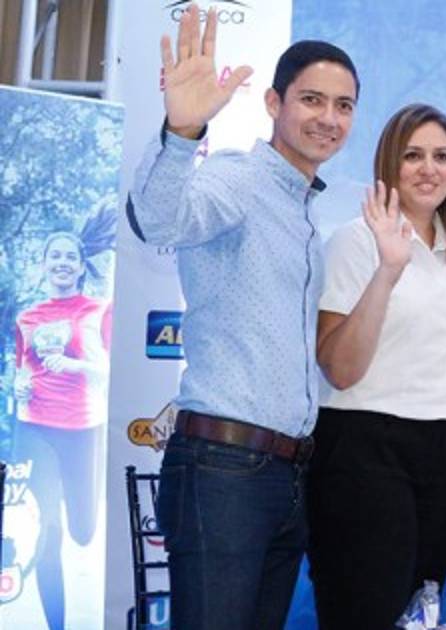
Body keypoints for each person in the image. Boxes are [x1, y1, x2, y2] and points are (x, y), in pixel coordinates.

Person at [125, 4, 359, 628]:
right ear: (274, 103)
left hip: (285, 474)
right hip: (223, 469)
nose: (328, 118)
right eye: (312, 99)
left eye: (343, 105)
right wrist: (182, 132)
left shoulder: (305, 212)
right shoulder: (239, 178)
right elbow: (160, 220)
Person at [305, 103, 446, 629]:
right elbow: (339, 367)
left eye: (442, 156)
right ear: (389, 164)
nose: (429, 169)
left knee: (420, 613)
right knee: (366, 613)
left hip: (442, 448)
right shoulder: (356, 241)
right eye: (413, 155)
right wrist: (388, 270)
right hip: (364, 448)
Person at [12, 230, 112, 630]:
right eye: (55, 256)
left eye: (70, 256)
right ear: (44, 265)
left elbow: (113, 371)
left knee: (83, 531)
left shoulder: (100, 311)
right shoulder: (26, 318)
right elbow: (22, 370)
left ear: (81, 266)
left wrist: (77, 367)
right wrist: (19, 385)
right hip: (35, 429)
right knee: (46, 532)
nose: (62, 263)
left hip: (84, 429)